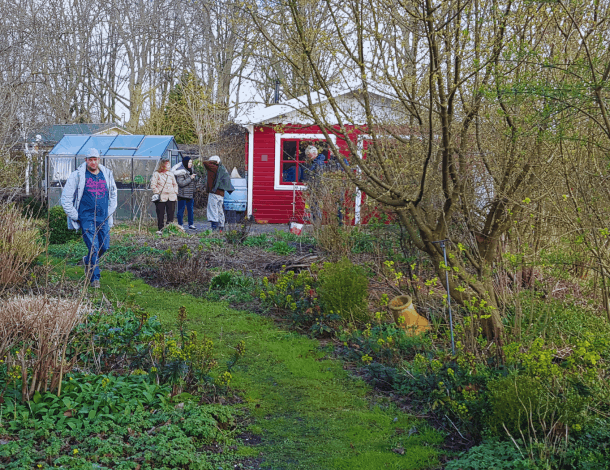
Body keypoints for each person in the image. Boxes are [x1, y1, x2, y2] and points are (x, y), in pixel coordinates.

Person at [60, 148, 117, 288]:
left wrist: (109, 212)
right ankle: (94, 278)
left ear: (99, 159)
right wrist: (76, 216)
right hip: (87, 218)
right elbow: (65, 199)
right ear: (86, 160)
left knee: (104, 246)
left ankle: (87, 260)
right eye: (90, 159)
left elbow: (114, 195)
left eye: (95, 159)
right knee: (93, 247)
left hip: (103, 217)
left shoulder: (107, 174)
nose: (93, 162)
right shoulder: (77, 176)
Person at [202, 155, 234, 231]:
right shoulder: (222, 169)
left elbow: (205, 163)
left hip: (214, 193)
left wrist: (213, 161)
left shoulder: (214, 168)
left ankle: (214, 228)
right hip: (221, 194)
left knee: (213, 210)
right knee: (220, 210)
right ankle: (221, 227)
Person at [150, 156, 179, 235]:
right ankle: (161, 229)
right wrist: (158, 192)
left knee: (171, 214)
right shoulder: (156, 174)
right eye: (168, 165)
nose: (169, 166)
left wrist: (175, 191)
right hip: (161, 197)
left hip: (171, 197)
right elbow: (153, 185)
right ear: (162, 165)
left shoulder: (171, 174)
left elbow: (175, 184)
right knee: (160, 214)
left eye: (169, 165)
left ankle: (169, 229)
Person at [172, 156, 197, 230]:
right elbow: (181, 183)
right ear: (185, 162)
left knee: (190, 210)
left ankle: (191, 224)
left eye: (191, 162)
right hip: (182, 194)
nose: (191, 164)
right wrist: (190, 178)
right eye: (189, 162)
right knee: (181, 210)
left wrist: (194, 178)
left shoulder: (191, 169)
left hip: (190, 194)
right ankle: (180, 224)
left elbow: (192, 182)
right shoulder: (180, 171)